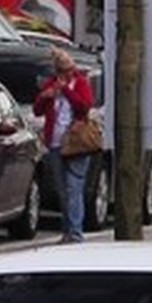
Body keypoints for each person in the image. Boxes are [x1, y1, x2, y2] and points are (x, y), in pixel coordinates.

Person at [33, 48, 97, 242]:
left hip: (76, 143)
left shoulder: (81, 83)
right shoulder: (52, 85)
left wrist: (67, 91)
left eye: (68, 71)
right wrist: (46, 96)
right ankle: (67, 229)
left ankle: (76, 231)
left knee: (74, 187)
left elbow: (84, 107)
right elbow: (37, 111)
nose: (65, 75)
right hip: (56, 142)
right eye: (61, 72)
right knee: (62, 189)